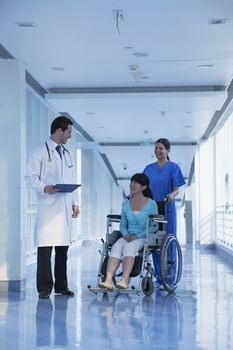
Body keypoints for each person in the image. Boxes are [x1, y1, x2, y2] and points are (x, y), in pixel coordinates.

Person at [25, 116, 80, 299]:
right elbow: (30, 177)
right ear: (59, 131)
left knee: (63, 249)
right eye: (69, 132)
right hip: (48, 207)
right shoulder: (40, 151)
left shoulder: (68, 153)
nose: (70, 136)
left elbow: (72, 179)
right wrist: (44, 187)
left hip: (64, 206)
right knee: (45, 248)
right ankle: (44, 288)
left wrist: (75, 203)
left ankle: (61, 286)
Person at [99, 173, 158, 290]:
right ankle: (108, 280)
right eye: (131, 182)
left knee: (129, 248)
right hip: (127, 236)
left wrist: (138, 236)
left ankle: (124, 280)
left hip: (143, 236)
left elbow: (154, 226)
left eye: (136, 182)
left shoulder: (151, 204)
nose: (132, 184)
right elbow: (123, 224)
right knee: (116, 246)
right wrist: (126, 235)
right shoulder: (126, 204)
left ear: (144, 187)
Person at [143, 138, 185, 285]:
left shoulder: (173, 167)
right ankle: (160, 278)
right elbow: (143, 187)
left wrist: (171, 195)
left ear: (167, 150)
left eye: (161, 148)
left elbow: (177, 189)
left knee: (168, 244)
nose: (158, 151)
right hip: (152, 211)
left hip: (167, 210)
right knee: (154, 244)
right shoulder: (149, 168)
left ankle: (170, 279)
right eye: (156, 148)